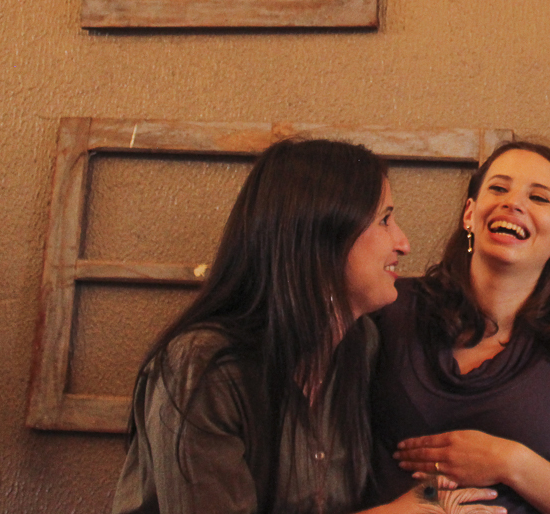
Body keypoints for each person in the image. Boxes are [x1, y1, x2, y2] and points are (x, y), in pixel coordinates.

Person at [111, 139, 505, 514]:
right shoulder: (203, 369)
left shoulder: (361, 343)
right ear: (321, 237)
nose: (403, 243)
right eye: (385, 220)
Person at [370, 142, 550, 514]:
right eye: (498, 188)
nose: (513, 203)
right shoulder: (392, 308)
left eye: (538, 197)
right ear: (469, 214)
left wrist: (510, 462)